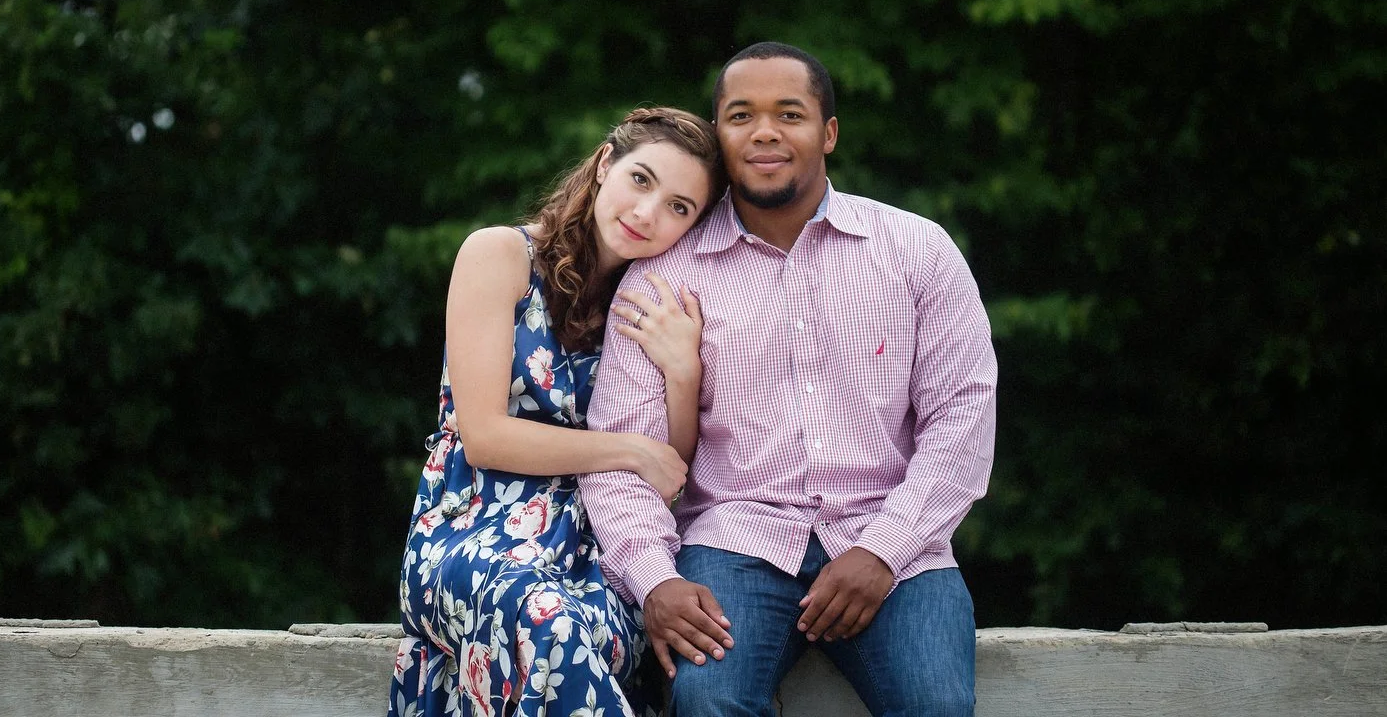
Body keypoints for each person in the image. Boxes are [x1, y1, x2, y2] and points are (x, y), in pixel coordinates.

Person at [579, 43, 997, 717]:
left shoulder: (917, 251)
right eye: (741, 115)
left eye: (790, 114)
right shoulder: (664, 276)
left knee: (938, 704)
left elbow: (963, 419)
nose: (765, 131)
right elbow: (623, 451)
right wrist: (654, 578)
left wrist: (882, 551)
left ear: (827, 132)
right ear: (719, 136)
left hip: (895, 541)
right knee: (706, 700)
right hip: (734, 540)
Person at [387, 107, 728, 717]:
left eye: (681, 207)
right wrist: (625, 450)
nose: (648, 213)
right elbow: (486, 436)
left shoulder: (650, 301)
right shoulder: (500, 256)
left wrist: (683, 374)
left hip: (595, 550)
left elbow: (671, 472)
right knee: (544, 619)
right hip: (472, 532)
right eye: (642, 180)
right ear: (604, 165)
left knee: (591, 633)